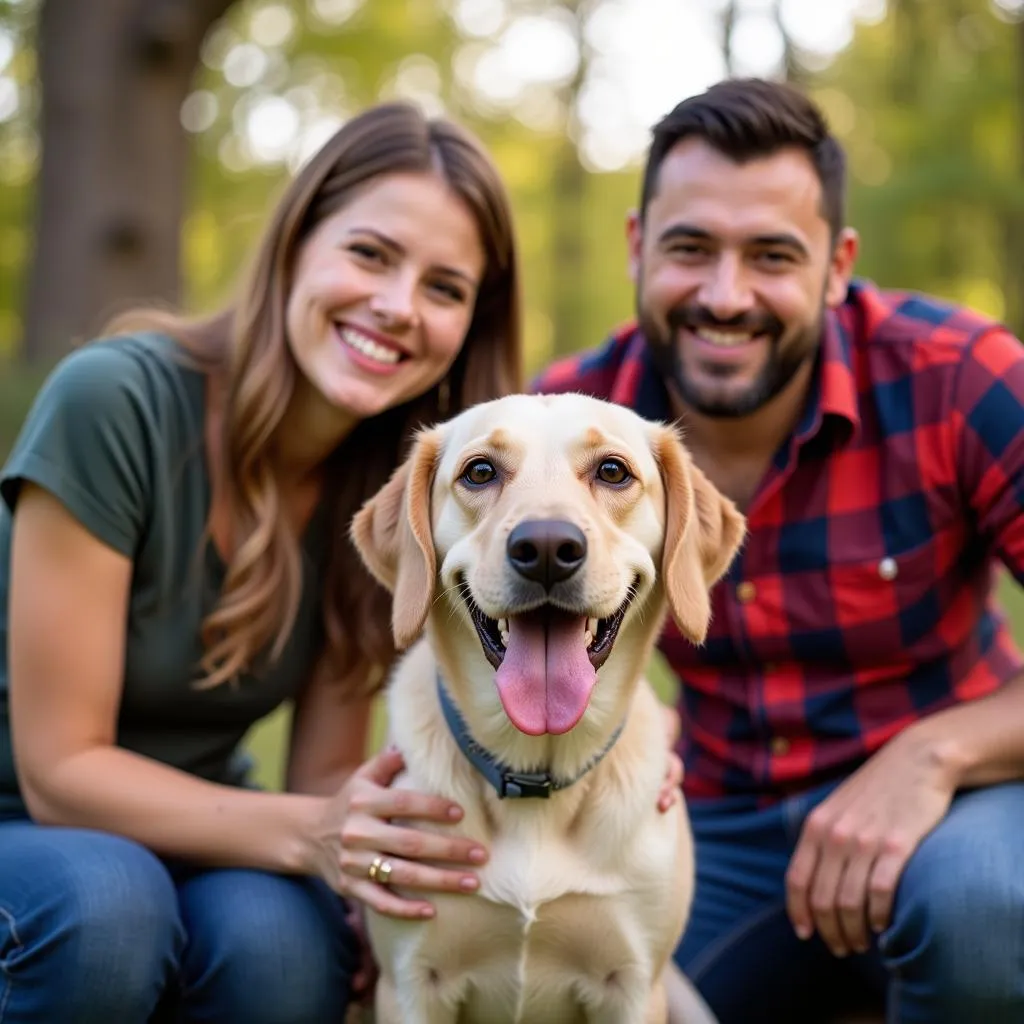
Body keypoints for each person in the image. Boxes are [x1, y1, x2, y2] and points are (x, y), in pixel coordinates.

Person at [0, 101, 523, 1023]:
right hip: (27, 820)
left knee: (281, 943)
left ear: (470, 326)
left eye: (445, 288)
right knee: (110, 906)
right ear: (294, 246)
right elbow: (58, 770)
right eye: (369, 254)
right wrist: (319, 834)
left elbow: (325, 781)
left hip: (204, 829)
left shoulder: (401, 497)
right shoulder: (115, 402)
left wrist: (602, 772)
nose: (398, 306)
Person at [534, 77, 1024, 1024]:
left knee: (982, 910)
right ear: (638, 246)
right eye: (690, 249)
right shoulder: (567, 425)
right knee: (576, 977)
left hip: (962, 806)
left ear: (838, 265)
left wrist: (934, 754)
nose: (726, 296)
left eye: (771, 256)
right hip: (718, 826)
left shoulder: (960, 376)